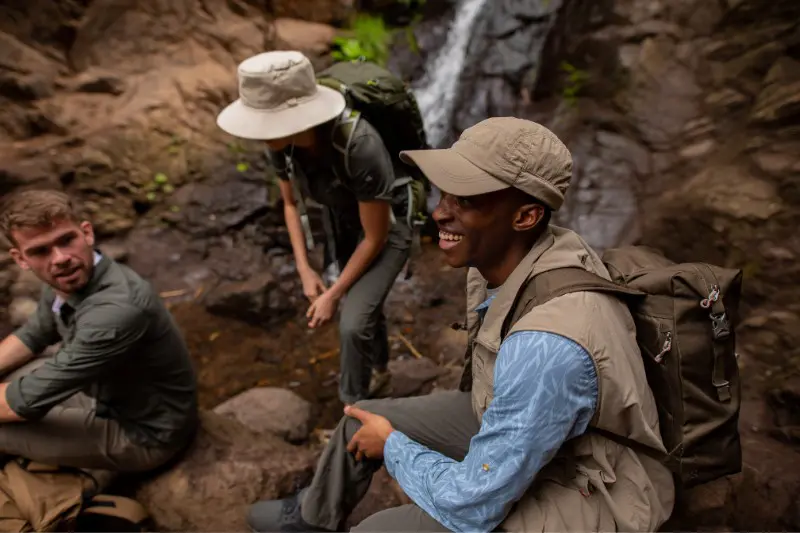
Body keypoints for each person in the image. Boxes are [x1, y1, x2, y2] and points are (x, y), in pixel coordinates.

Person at [246, 117, 675, 532]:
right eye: (444, 195)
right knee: (361, 418)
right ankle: (314, 518)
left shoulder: (547, 347)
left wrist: (394, 448)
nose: (438, 214)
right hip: (537, 429)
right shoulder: (516, 257)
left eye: (465, 201)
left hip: (589, 485)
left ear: (526, 216)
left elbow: (473, 506)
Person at [216, 50, 415, 405]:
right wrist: (304, 269)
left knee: (352, 323)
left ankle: (353, 409)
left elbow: (375, 236)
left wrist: (332, 294)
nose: (260, 134)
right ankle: (381, 371)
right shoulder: (280, 144)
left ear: (295, 119)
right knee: (365, 305)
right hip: (341, 222)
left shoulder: (358, 145)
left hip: (386, 228)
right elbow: (291, 204)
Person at [0, 189, 198, 478]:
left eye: (66, 240)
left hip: (143, 434)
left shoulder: (117, 310)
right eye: (40, 251)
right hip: (105, 394)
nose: (60, 258)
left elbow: (21, 403)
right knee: (11, 376)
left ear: (87, 233)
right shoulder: (65, 280)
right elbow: (33, 334)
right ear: (20, 259)